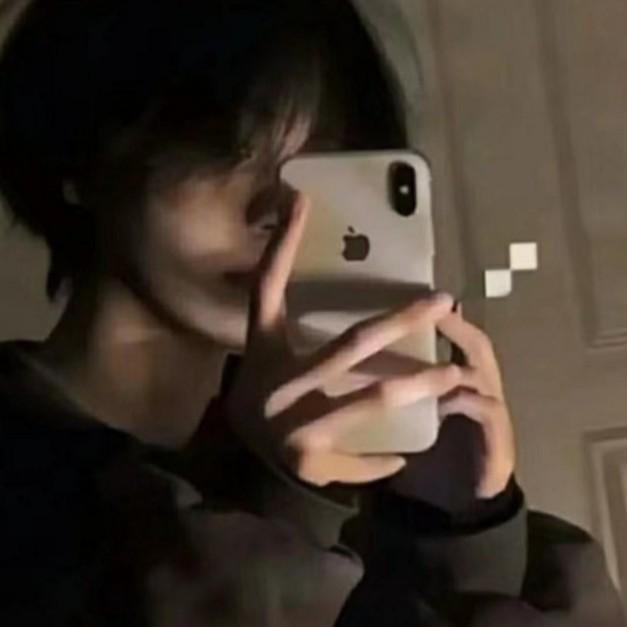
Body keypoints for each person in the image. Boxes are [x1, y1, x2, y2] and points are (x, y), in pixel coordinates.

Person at [0, 1, 624, 625]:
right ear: (80, 160)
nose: (282, 211)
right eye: (228, 150)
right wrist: (276, 501)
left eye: (319, 168)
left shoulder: (368, 476)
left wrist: (465, 536)